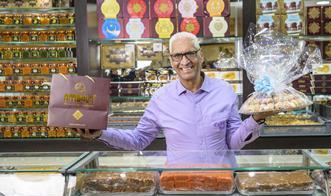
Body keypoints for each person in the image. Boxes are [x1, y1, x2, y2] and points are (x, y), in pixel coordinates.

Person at [77, 32, 272, 154]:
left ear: (201, 56)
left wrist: (257, 119)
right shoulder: (161, 98)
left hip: (222, 179)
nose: (185, 61)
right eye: (178, 55)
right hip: (179, 182)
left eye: (190, 53)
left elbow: (233, 143)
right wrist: (101, 134)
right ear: (171, 61)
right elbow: (138, 140)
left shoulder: (224, 91)